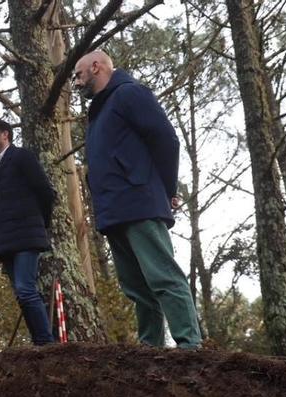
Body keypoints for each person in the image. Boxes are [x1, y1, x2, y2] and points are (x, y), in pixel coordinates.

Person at [73, 51, 201, 349]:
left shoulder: (130, 94)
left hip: (140, 202)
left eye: (78, 75)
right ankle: (150, 349)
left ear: (96, 67)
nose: (76, 83)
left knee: (163, 277)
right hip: (113, 212)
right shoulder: (99, 112)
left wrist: (166, 189)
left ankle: (190, 347)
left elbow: (166, 139)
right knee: (136, 287)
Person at [0, 120, 57, 346]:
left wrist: (39, 223)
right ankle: (40, 342)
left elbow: (46, 191)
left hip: (27, 234)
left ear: (5, 135)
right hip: (6, 240)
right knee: (21, 294)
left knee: (26, 289)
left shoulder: (22, 157)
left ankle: (47, 344)